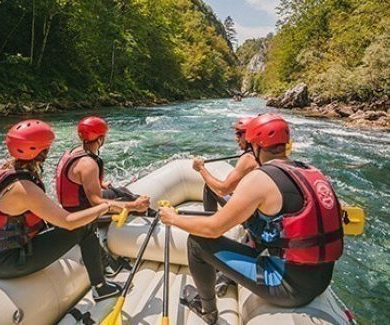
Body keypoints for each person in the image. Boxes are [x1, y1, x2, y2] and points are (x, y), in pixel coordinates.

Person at [159, 114, 344, 324]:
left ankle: (207, 311)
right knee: (253, 226)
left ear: (255, 145)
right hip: (320, 281)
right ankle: (229, 276)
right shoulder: (311, 172)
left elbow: (212, 229)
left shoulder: (261, 178)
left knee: (196, 243)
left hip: (288, 287)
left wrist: (172, 218)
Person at [0, 119, 124, 301]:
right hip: (9, 262)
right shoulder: (23, 188)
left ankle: (105, 267)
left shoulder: (3, 171)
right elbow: (68, 223)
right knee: (85, 226)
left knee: (80, 222)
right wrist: (105, 206)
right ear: (41, 151)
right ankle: (100, 287)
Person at [55, 116, 150, 275]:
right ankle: (113, 257)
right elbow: (96, 203)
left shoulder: (72, 153)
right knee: (131, 203)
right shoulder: (89, 164)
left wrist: (99, 184)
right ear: (100, 139)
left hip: (72, 205)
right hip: (82, 213)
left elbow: (76, 182)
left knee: (121, 191)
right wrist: (133, 206)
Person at [193, 117, 258, 212]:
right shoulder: (263, 155)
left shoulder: (248, 158)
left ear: (249, 135)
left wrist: (201, 168)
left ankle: (211, 224)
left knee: (210, 187)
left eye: (239, 134)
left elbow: (222, 190)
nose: (236, 139)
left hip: (250, 216)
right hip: (259, 208)